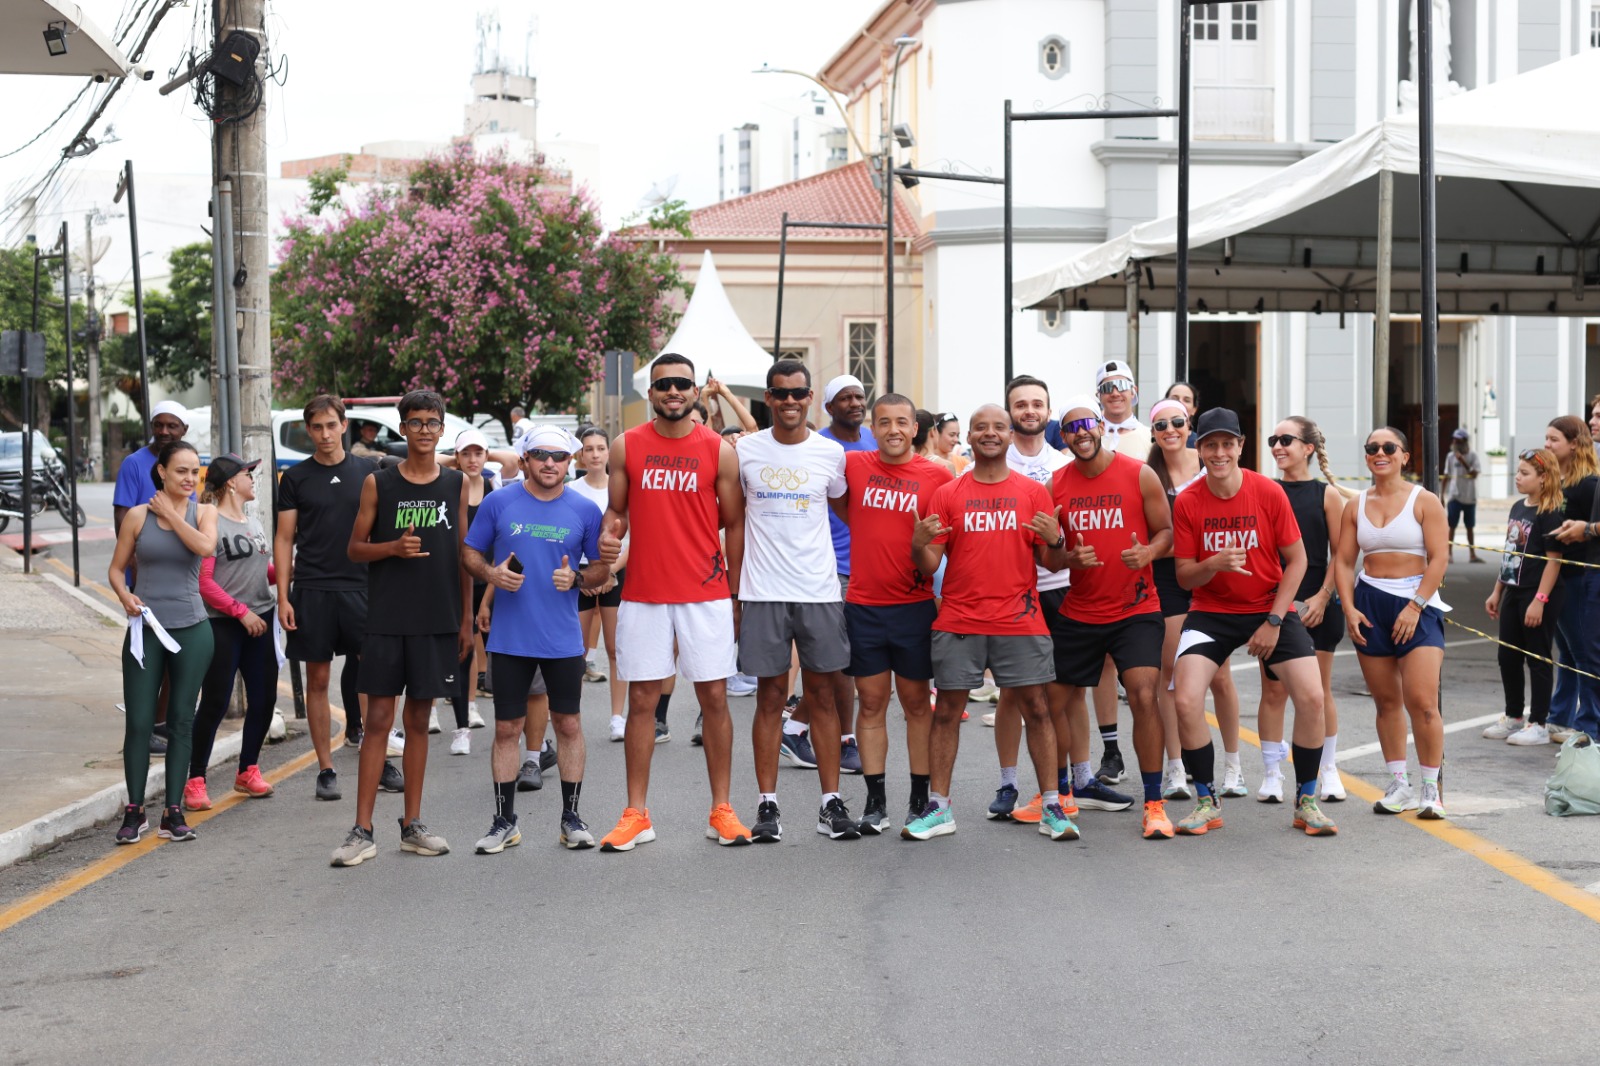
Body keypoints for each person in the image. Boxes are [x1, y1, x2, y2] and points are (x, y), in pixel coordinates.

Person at [599, 353, 751, 851]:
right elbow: (616, 513)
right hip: (644, 591)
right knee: (642, 701)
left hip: (705, 592)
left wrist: (734, 593)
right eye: (664, 384)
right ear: (651, 392)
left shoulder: (718, 450)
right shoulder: (626, 446)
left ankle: (722, 809)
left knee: (714, 699)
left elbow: (734, 523)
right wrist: (607, 538)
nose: (673, 391)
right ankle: (636, 814)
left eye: (682, 384)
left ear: (694, 391)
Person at [904, 403, 1076, 842]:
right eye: (981, 427)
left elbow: (1051, 561)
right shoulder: (949, 493)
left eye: (999, 426)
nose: (990, 433)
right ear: (970, 437)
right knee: (946, 711)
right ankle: (939, 808)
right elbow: (930, 565)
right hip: (960, 617)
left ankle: (1052, 806)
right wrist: (918, 545)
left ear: (1010, 434)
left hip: (1020, 618)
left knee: (1037, 709)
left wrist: (1058, 539)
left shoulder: (1033, 493)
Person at [1172, 408, 1336, 837]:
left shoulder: (1267, 492)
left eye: (1228, 444)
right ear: (1199, 449)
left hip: (1268, 606)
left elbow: (1298, 561)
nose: (1219, 453)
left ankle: (1306, 802)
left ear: (1241, 446)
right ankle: (1207, 801)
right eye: (1211, 445)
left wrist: (1275, 619)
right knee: (1185, 700)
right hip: (1211, 612)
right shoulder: (1188, 501)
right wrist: (1213, 563)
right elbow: (1184, 576)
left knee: (1312, 697)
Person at [330, 389, 472, 867]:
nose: (424, 430)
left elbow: (463, 555)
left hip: (437, 619)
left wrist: (466, 619)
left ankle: (412, 825)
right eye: (415, 422)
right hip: (388, 618)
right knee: (377, 722)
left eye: (432, 422)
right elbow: (354, 549)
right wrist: (391, 548)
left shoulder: (456, 483)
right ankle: (361, 829)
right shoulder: (379, 483)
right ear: (403, 427)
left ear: (442, 428)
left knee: (418, 722)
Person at [463, 426, 617, 853]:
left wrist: (578, 578)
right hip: (509, 639)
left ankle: (571, 818)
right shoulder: (498, 502)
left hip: (562, 638)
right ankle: (503, 822)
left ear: (571, 462)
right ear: (525, 459)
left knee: (568, 725)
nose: (550, 463)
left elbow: (601, 569)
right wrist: (491, 574)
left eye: (559, 456)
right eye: (541, 455)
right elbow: (470, 552)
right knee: (506, 729)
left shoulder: (585, 509)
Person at [990, 375, 1130, 822]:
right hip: (1016, 592)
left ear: (1048, 413)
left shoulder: (1062, 462)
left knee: (1072, 692)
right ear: (1010, 411)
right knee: (1014, 692)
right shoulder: (995, 460)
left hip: (1063, 589)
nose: (1029, 411)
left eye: (1037, 404)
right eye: (1020, 404)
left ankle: (1081, 780)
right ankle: (1009, 784)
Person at [737, 360, 856, 841]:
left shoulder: (831, 453)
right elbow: (730, 519)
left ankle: (830, 804)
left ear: (810, 398)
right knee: (769, 698)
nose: (789, 401)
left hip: (819, 592)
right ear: (768, 398)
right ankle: (767, 805)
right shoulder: (745, 450)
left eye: (798, 393)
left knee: (824, 697)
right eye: (780, 393)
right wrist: (731, 593)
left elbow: (850, 513)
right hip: (762, 591)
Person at [1050, 396, 1175, 839]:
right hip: (1080, 609)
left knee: (1143, 694)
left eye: (1086, 423)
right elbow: (1047, 557)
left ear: (1101, 426)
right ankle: (1061, 793)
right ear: (1064, 439)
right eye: (1070, 428)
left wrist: (1149, 552)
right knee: (1053, 701)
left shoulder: (1139, 473)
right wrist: (1068, 557)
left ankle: (1154, 804)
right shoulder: (1054, 484)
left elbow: (1167, 532)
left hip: (1135, 608)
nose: (1080, 433)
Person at [837, 394, 953, 830]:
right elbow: (842, 507)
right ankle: (875, 802)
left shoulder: (937, 476)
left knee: (916, 704)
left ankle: (920, 798)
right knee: (870, 703)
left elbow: (938, 552)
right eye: (884, 422)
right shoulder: (854, 465)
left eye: (901, 422)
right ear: (873, 427)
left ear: (914, 427)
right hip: (863, 606)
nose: (893, 430)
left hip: (913, 606)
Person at [275, 396, 398, 802]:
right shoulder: (294, 479)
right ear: (308, 431)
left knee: (374, 678)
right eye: (317, 427)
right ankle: (325, 768)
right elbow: (284, 539)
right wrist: (283, 597)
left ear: (344, 425)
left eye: (331, 425)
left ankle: (378, 759)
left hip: (364, 588)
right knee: (318, 679)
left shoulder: (369, 471)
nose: (325, 434)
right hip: (313, 590)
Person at [1333, 427, 1450, 820]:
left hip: (1417, 603)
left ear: (1404, 456)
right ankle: (1399, 784)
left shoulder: (1424, 500)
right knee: (1385, 701)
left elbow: (1439, 558)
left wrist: (1415, 606)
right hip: (1370, 602)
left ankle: (1430, 789)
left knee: (1422, 701)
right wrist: (1349, 608)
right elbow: (1344, 561)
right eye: (1372, 448)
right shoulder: (1356, 505)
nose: (1379, 453)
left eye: (1388, 447)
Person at [107, 441, 217, 844]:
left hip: (192, 630)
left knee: (181, 721)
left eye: (195, 472)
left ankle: (173, 812)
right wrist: (124, 595)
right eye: (181, 471)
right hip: (146, 631)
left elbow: (205, 547)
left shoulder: (204, 512)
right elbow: (116, 569)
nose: (189, 479)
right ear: (162, 472)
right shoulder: (137, 516)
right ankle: (135, 811)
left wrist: (171, 513)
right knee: (138, 722)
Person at [1145, 399, 1241, 801]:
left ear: (1190, 428)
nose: (1170, 429)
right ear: (1153, 433)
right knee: (1171, 673)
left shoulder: (1212, 465)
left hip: (1213, 572)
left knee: (1219, 675)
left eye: (1177, 422)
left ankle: (1233, 765)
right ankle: (1176, 767)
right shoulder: (1148, 474)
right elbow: (1153, 538)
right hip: (1169, 577)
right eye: (1161, 424)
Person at [1257, 417, 1353, 804]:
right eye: (1273, 440)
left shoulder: (1327, 495)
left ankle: (1327, 769)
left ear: (1308, 448)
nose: (1277, 447)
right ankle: (1271, 773)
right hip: (1275, 603)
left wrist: (1323, 596)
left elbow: (1341, 554)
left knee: (1319, 692)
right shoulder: (1266, 491)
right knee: (1273, 690)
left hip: (1318, 603)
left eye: (1286, 440)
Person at [186, 453, 278, 812]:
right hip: (224, 623)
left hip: (262, 617)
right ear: (230, 483)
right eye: (247, 474)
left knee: (264, 699)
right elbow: (204, 582)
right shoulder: (212, 522)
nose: (252, 479)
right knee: (216, 702)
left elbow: (261, 571)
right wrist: (240, 612)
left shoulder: (253, 521)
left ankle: (247, 770)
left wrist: (289, 570)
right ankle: (195, 779)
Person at [111, 399, 191, 755]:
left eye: (172, 425)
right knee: (147, 654)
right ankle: (142, 728)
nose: (164, 431)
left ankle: (161, 722)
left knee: (178, 652)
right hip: (146, 574)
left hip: (180, 576)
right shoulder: (134, 463)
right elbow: (122, 518)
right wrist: (135, 568)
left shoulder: (186, 463)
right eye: (159, 424)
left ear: (184, 430)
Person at [812, 373, 875, 776]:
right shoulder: (819, 445)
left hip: (874, 565)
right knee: (839, 660)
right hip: (832, 567)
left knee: (855, 657)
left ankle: (797, 726)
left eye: (859, 396)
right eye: (845, 398)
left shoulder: (873, 439)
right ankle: (845, 737)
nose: (854, 403)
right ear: (829, 407)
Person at [1483, 449, 1566, 746]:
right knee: (1507, 656)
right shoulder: (1518, 507)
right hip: (1513, 591)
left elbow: (1554, 561)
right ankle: (1514, 716)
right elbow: (1510, 553)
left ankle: (1539, 723)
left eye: (1524, 473)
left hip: (1536, 593)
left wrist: (1540, 600)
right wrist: (1497, 590)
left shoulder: (1550, 512)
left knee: (1538, 657)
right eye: (1517, 471)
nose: (1517, 477)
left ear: (1543, 478)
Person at [1541, 416, 1600, 743]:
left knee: (1584, 654)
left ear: (1574, 444)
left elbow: (1591, 531)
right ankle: (1560, 717)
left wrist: (1582, 530)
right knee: (1566, 651)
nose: (1547, 445)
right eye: (1546, 438)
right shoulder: (1557, 482)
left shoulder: (1589, 484)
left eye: (1554, 440)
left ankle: (1588, 725)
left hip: (1580, 575)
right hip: (1557, 574)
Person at [569, 426, 628, 738]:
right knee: (575, 650)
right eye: (588, 448)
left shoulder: (621, 488)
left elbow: (633, 538)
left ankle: (617, 717)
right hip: (580, 574)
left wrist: (608, 572)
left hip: (616, 573)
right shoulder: (571, 490)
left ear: (609, 452)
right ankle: (571, 714)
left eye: (600, 448)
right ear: (580, 454)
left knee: (616, 648)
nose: (594, 454)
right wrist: (587, 576)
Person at [441, 429, 496, 754]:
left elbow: (511, 461)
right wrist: (454, 459)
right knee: (460, 655)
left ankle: (512, 725)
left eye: (479, 453)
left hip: (490, 583)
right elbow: (429, 460)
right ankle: (461, 728)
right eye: (466, 454)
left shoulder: (494, 488)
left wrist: (484, 456)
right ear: (456, 457)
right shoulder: (449, 484)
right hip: (457, 583)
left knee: (501, 657)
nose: (473, 460)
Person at [1442, 428, 1483, 563]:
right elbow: (1446, 476)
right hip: (1454, 496)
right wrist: (1442, 495)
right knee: (1451, 526)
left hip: (1469, 497)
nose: (1455, 443)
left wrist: (1463, 461)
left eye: (1458, 441)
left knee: (1469, 527)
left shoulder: (1473, 455)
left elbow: (1474, 474)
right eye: (1454, 440)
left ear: (1464, 442)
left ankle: (1472, 554)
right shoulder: (1450, 456)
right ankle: (1449, 554)